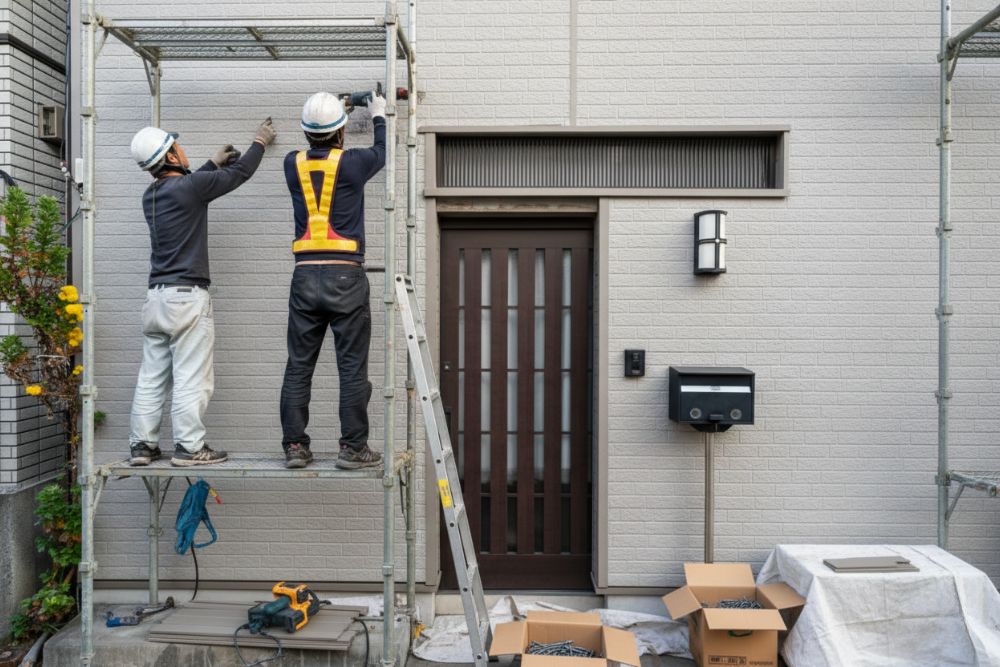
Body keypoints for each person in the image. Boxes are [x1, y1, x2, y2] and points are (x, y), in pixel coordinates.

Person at [127, 120, 277, 467]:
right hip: (186, 300)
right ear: (170, 156)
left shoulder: (151, 195)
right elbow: (239, 174)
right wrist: (259, 141)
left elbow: (192, 186)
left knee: (152, 377)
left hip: (156, 299)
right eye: (176, 147)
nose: (182, 150)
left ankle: (142, 445)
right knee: (192, 376)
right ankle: (190, 447)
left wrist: (212, 163)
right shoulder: (191, 187)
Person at [279, 90, 386, 469]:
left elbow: (322, 150)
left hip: (305, 276)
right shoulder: (354, 163)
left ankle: (295, 446)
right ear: (341, 132)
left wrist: (337, 111)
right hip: (346, 275)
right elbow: (381, 151)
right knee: (352, 367)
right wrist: (378, 114)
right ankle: (353, 447)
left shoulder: (291, 163)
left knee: (299, 366)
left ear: (306, 132)